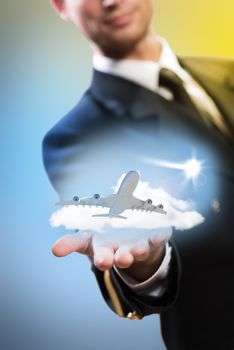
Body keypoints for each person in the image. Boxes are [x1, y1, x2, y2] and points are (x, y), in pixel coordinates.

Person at [42, 1, 234, 349]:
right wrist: (143, 266)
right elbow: (120, 243)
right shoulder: (79, 138)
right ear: (60, 5)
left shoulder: (228, 72)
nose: (110, 1)